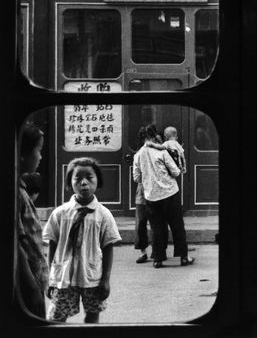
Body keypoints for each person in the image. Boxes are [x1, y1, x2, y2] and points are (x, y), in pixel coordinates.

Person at [43, 157, 121, 323]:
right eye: (78, 178)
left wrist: (106, 279)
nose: (84, 183)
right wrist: (51, 277)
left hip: (92, 276)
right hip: (64, 276)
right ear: (70, 181)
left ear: (97, 181)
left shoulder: (104, 215)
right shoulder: (60, 213)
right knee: (57, 316)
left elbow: (108, 247)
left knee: (93, 315)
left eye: (89, 178)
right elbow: (53, 244)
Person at [133, 124, 195, 268]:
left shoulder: (138, 155)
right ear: (155, 136)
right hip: (170, 193)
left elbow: (136, 178)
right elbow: (176, 172)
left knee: (157, 228)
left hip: (151, 197)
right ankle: (183, 257)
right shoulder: (162, 151)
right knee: (177, 225)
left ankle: (158, 260)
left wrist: (149, 178)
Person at [16, 122, 49, 318]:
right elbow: (17, 244)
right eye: (39, 150)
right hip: (27, 284)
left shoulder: (20, 188)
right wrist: (32, 286)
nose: (40, 156)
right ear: (23, 154)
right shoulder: (16, 194)